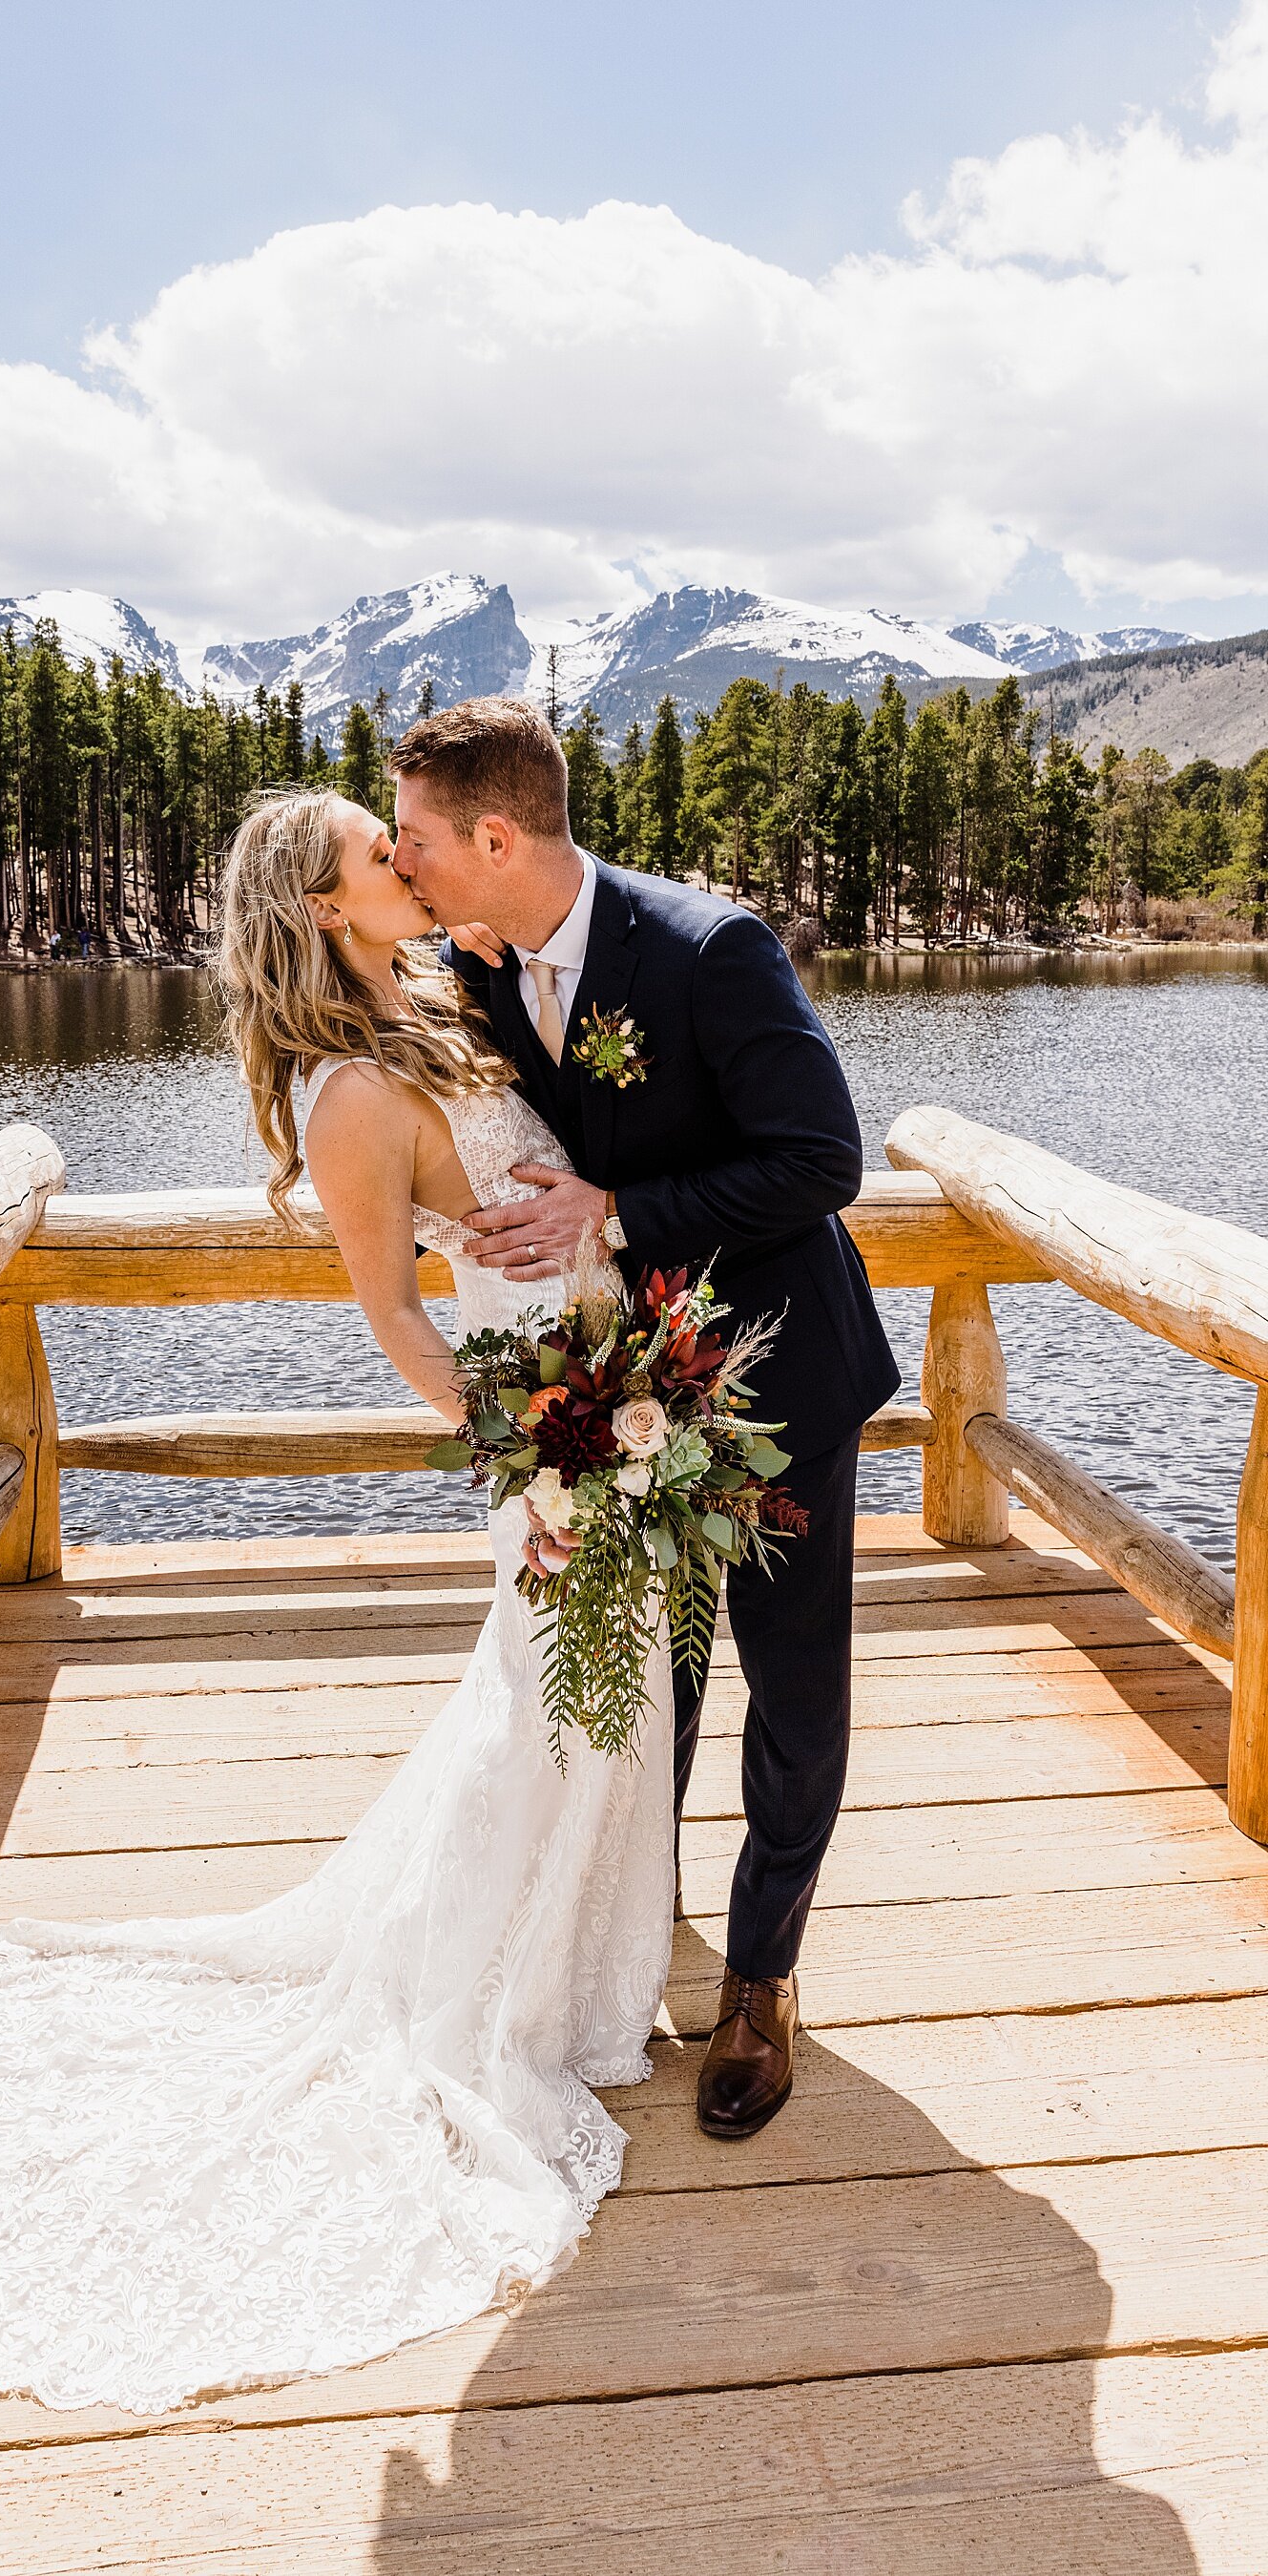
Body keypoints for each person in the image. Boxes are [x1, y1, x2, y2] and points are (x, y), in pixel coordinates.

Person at [0, 784, 676, 2417]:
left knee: (595, 1694)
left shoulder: (450, 1010)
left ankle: (581, 1980)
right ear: (330, 908)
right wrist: (513, 1452)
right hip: (547, 1425)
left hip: (607, 1386)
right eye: (372, 855)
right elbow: (395, 1309)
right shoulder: (350, 1092)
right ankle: (514, 1996)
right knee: (560, 1693)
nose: (402, 863)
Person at [389, 697, 899, 2140]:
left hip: (781, 1380)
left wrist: (623, 1208)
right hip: (619, 1394)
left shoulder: (705, 950)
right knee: (651, 1679)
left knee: (791, 1689)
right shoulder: (465, 965)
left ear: (497, 836)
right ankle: (630, 1936)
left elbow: (822, 1161)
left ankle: (762, 1982)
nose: (402, 860)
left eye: (418, 839)